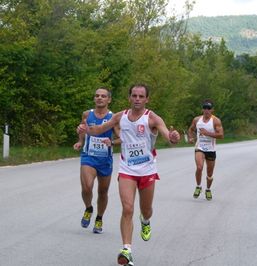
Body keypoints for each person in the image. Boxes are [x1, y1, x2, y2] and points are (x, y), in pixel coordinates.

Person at [77, 84, 180, 266]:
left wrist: (172, 136)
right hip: (127, 169)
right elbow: (98, 130)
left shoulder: (152, 118)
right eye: (134, 96)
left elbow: (167, 136)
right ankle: (127, 249)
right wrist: (85, 130)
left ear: (147, 99)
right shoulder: (120, 117)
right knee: (128, 208)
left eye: (141, 96)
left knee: (145, 209)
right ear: (129, 98)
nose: (137, 99)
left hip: (147, 170)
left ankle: (145, 220)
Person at [73, 87, 120, 234]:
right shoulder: (87, 114)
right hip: (89, 156)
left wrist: (112, 142)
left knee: (103, 191)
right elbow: (83, 129)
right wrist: (80, 141)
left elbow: (121, 138)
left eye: (103, 96)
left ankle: (99, 218)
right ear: (94, 99)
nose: (100, 98)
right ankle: (88, 208)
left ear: (109, 100)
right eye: (97, 96)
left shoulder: (114, 118)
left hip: (105, 159)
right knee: (87, 187)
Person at [188, 99, 224, 200]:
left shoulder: (216, 121)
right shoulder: (196, 120)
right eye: (205, 108)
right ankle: (198, 186)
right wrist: (190, 137)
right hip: (199, 147)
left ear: (212, 110)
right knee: (199, 167)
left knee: (209, 173)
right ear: (202, 109)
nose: (206, 110)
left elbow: (221, 135)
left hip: (211, 149)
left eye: (209, 108)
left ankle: (208, 189)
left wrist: (207, 133)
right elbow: (191, 129)